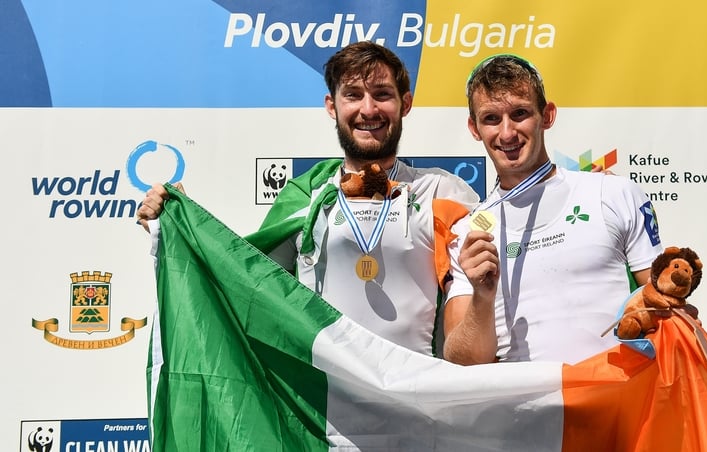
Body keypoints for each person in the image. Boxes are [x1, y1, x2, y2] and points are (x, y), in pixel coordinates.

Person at [138, 41, 479, 356]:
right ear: (332, 106)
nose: (368, 108)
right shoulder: (306, 195)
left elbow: (492, 284)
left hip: (416, 392)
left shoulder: (443, 192)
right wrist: (182, 228)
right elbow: (247, 282)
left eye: (382, 94)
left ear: (405, 104)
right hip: (322, 395)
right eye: (353, 95)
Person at [442, 54, 663, 366]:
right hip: (522, 399)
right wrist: (482, 296)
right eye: (491, 118)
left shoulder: (612, 193)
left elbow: (665, 306)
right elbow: (462, 363)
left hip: (613, 395)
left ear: (547, 115)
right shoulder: (468, 233)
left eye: (520, 113)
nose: (507, 133)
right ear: (474, 128)